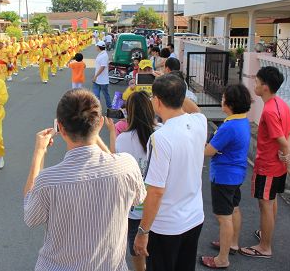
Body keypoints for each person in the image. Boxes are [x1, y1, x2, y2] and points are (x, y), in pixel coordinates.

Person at [23, 89, 147, 270]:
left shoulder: (47, 180)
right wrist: (93, 134)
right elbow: (138, 198)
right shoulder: (127, 166)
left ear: (61, 128)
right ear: (98, 125)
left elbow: (30, 216)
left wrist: (39, 152)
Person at [134, 74, 207, 271]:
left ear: (157, 101)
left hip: (167, 225)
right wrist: (176, 92)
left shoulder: (161, 137)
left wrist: (143, 231)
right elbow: (195, 110)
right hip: (194, 217)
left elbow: (156, 190)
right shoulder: (200, 122)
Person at [239, 66, 290, 259]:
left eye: (256, 81)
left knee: (265, 205)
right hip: (276, 166)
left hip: (268, 166)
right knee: (271, 202)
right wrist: (285, 154)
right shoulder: (280, 103)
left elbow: (282, 140)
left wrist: (287, 160)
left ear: (265, 86)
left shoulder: (270, 111)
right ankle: (266, 234)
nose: (254, 84)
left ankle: (265, 247)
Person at [201, 84, 252, 269]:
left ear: (230, 103)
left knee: (223, 217)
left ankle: (222, 259)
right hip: (236, 174)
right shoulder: (242, 121)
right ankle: (232, 243)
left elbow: (208, 151)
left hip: (224, 176)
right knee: (234, 209)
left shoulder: (228, 127)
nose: (221, 100)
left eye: (223, 98)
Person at [106, 91, 158, 271]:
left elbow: (114, 160)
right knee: (157, 250)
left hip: (134, 206)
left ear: (130, 112)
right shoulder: (161, 133)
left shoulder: (124, 138)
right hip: (159, 205)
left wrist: (112, 132)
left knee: (136, 249)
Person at [92, 40, 112, 108]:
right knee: (96, 95)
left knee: (105, 94)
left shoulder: (104, 55)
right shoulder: (102, 54)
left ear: (99, 47)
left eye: (96, 46)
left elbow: (102, 67)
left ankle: (109, 107)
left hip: (102, 80)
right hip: (99, 79)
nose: (96, 47)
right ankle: (97, 108)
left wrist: (95, 76)